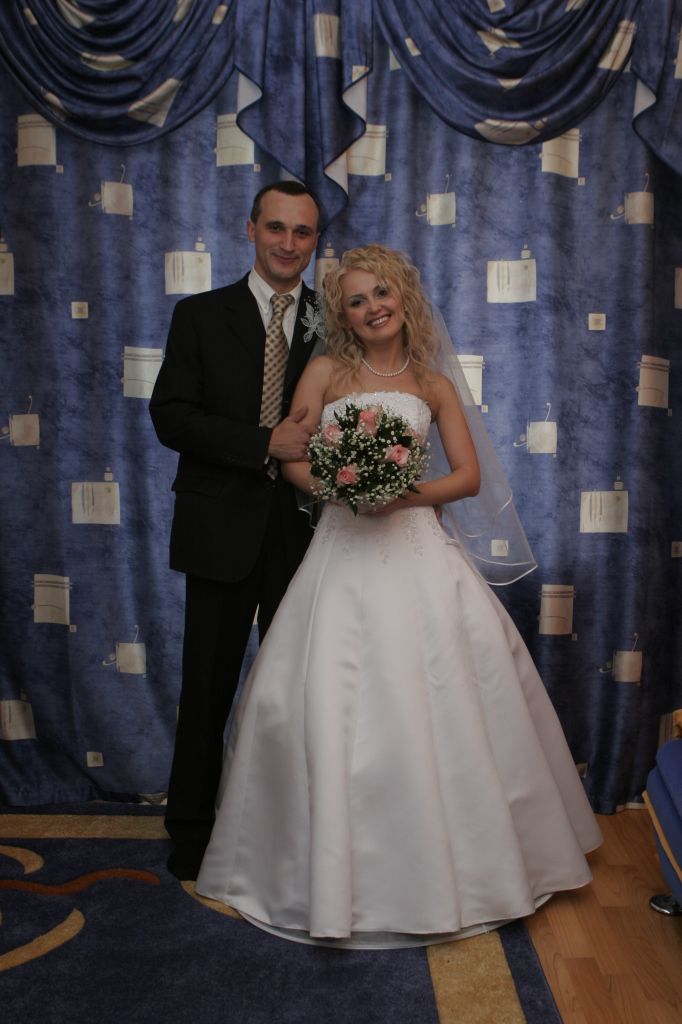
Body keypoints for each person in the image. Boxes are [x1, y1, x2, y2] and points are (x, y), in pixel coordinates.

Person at [195, 245, 603, 947]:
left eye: (381, 293)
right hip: (341, 549)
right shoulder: (325, 372)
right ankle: (316, 875)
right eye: (356, 300)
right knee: (325, 695)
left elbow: (468, 477)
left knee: (445, 694)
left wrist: (398, 496)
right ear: (343, 315)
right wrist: (341, 489)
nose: (372, 308)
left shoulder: (433, 384)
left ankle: (464, 872)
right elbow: (291, 457)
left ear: (403, 297)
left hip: (415, 545)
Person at [149, 181, 321, 880]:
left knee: (297, 691)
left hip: (309, 532)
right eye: (276, 227)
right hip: (220, 525)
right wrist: (261, 443)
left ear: (315, 241)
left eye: (302, 232)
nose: (288, 243)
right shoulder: (199, 315)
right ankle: (192, 830)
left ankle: (291, 834)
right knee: (207, 686)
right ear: (250, 229)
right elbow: (171, 416)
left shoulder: (334, 321)